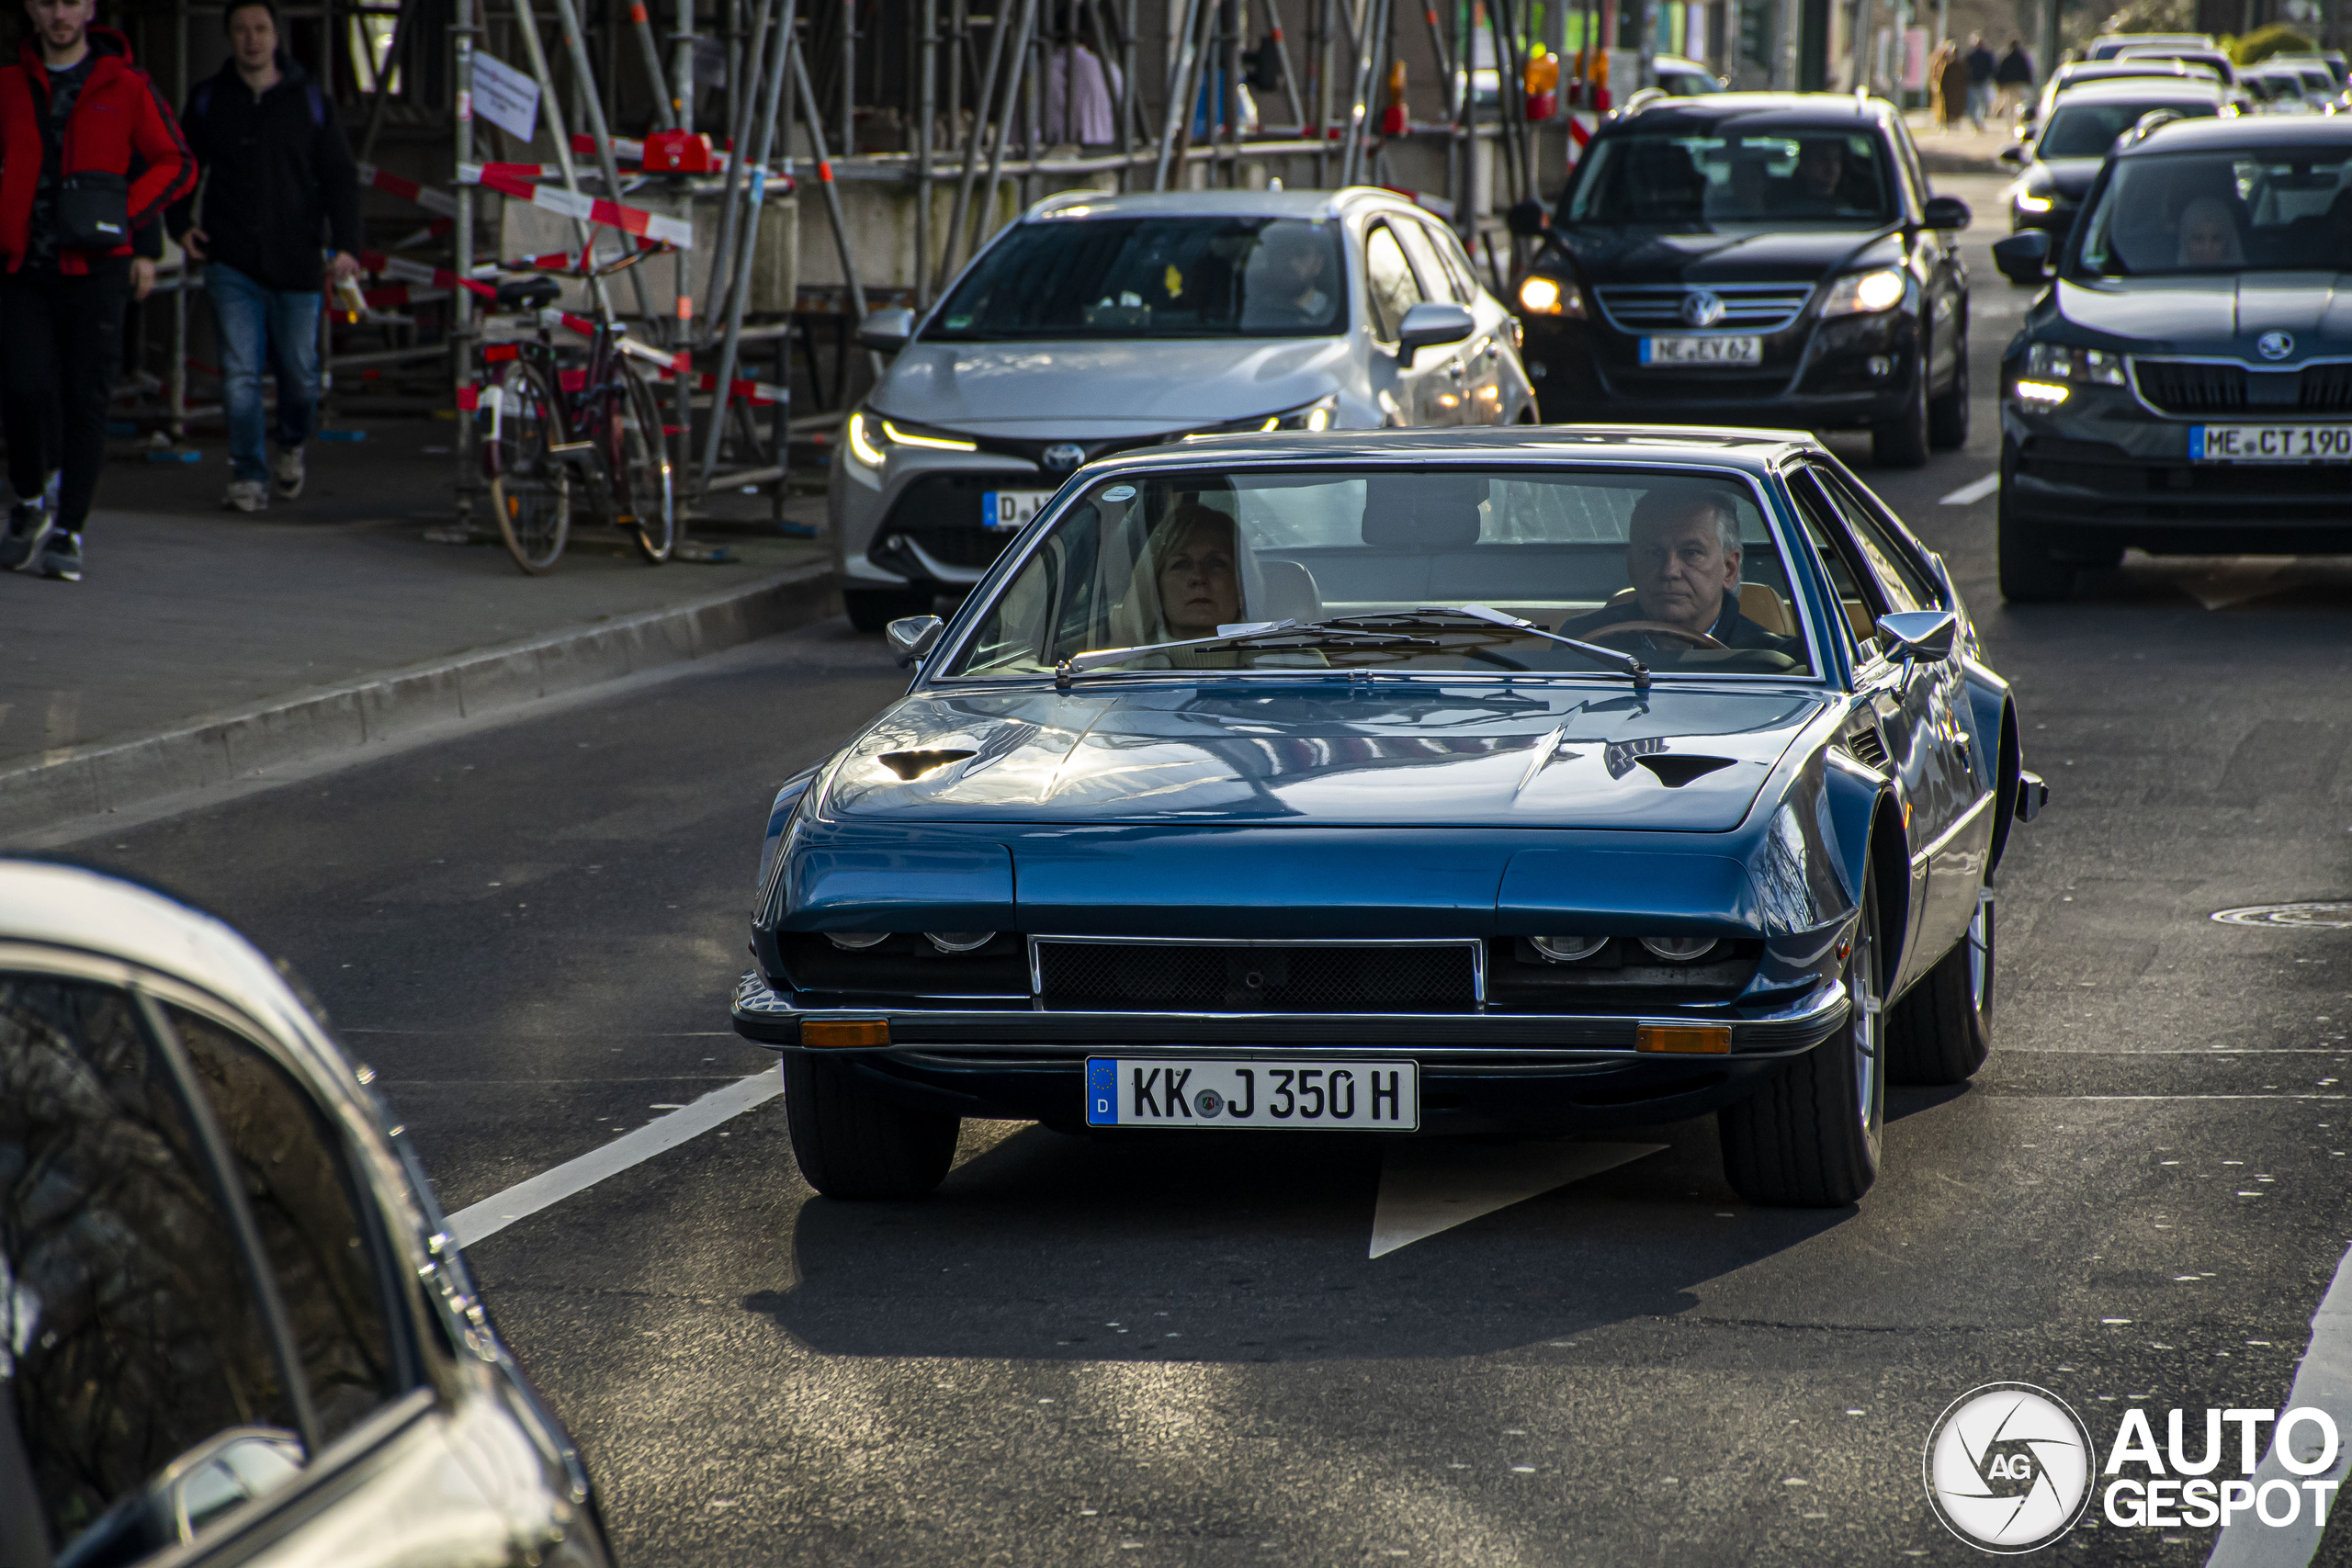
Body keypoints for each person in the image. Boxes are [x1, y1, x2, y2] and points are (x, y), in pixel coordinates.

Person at [0, 0, 192, 582]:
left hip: (96, 268)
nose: (60, 14)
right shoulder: (8, 84)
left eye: (71, 1)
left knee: (88, 398)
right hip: (21, 268)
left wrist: (123, 216)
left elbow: (174, 161)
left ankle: (69, 530)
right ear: (32, 10)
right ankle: (31, 498)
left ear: (89, 9)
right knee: (22, 385)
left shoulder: (126, 84)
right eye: (48, 2)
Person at [167, 0, 361, 513]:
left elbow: (340, 177)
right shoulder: (210, 100)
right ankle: (248, 473)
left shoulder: (310, 101)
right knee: (241, 373)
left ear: (278, 35)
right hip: (231, 258)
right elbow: (182, 165)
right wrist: (179, 225)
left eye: (260, 29)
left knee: (299, 373)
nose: (251, 39)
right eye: (240, 30)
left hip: (297, 260)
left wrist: (347, 245)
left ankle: (292, 443)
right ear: (229, 36)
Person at [1559, 486, 1799, 655]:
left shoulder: (1773, 662)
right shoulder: (1581, 644)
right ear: (1632, 566)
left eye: (1691, 553)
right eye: (1654, 553)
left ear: (1729, 569)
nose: (1669, 571)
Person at [1039, 6, 1122, 146]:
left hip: (1049, 160)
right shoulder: (1109, 70)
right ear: (1091, 35)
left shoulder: (1038, 70)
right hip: (1098, 156)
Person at [1239, 222, 1335, 330]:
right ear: (1271, 261)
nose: (1291, 262)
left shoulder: (1334, 316)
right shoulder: (1247, 312)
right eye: (1283, 253)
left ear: (1318, 264)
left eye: (1301, 253)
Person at [2176, 196, 2243, 267]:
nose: (2207, 249)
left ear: (2228, 242)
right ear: (2185, 242)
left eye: (2216, 239)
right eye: (2198, 239)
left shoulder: (2248, 276)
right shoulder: (2169, 277)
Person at [1934, 39, 1972, 130]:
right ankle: (1949, 122)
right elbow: (1943, 78)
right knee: (1948, 107)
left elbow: (1965, 77)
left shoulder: (1959, 65)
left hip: (1957, 91)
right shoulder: (1949, 65)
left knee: (1955, 107)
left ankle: (1954, 121)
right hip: (1950, 91)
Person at [1996, 39, 2035, 122]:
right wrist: (2029, 83)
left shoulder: (2006, 59)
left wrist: (2000, 84)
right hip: (2019, 84)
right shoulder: (2022, 58)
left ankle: (2011, 123)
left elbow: (2001, 72)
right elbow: (2027, 71)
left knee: (2010, 105)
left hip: (2009, 84)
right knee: (2019, 104)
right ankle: (2018, 122)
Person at [1965, 34, 1997, 130]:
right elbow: (1992, 68)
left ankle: (1975, 122)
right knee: (1982, 104)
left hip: (1972, 82)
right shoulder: (1987, 55)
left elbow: (1966, 69)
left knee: (1972, 105)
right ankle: (1980, 121)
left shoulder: (1970, 55)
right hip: (1983, 82)